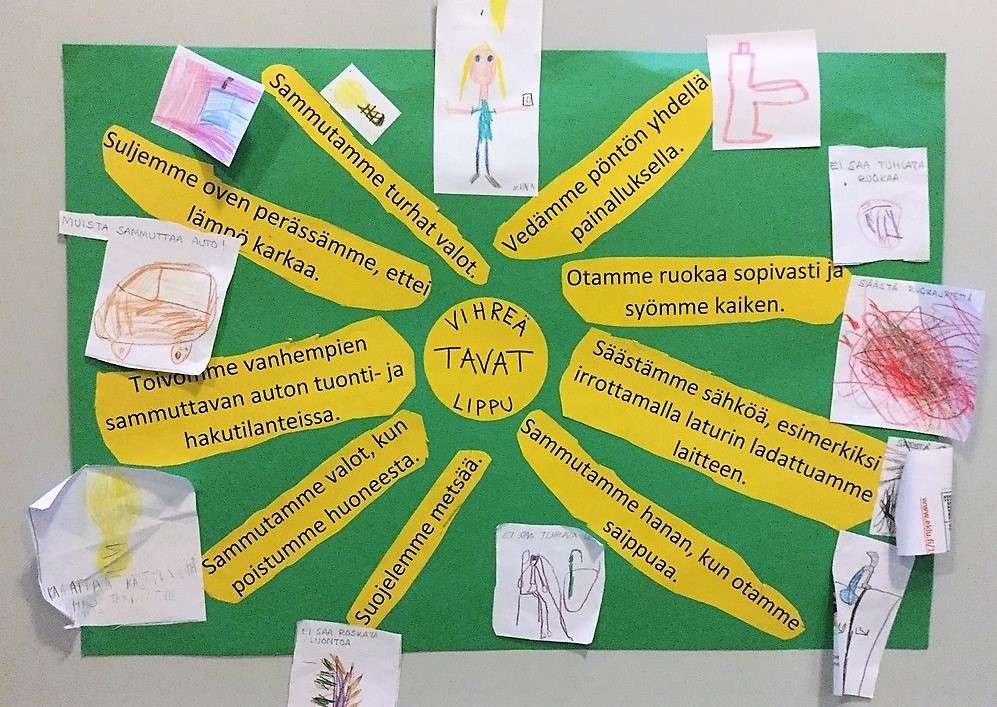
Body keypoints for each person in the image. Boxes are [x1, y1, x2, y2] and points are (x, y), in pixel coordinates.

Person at [445, 42, 527, 188]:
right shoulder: (470, 98)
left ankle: (487, 172)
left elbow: (496, 108)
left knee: (485, 144)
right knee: (479, 143)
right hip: (479, 119)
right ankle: (479, 171)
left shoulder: (496, 96)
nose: (484, 66)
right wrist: (453, 110)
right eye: (477, 59)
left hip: (485, 118)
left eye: (489, 59)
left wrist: (517, 107)